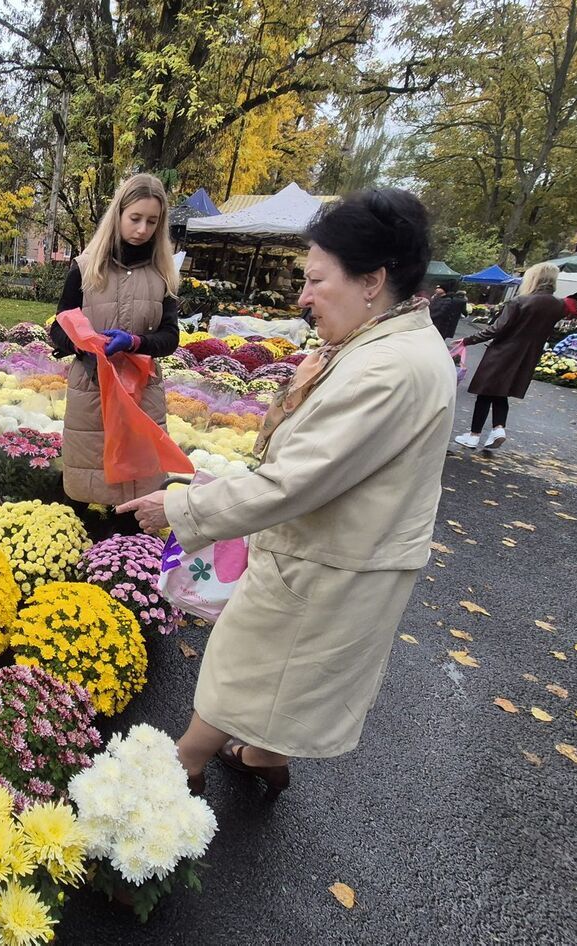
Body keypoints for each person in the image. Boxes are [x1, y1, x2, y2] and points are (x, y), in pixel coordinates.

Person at [117, 189, 454, 799]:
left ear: (373, 280)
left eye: (316, 280)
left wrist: (177, 507)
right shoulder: (379, 347)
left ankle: (176, 774)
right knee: (284, 674)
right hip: (340, 553)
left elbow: (291, 479)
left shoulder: (388, 367)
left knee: (247, 664)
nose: (302, 298)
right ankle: (262, 757)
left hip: (328, 561)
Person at [49, 173, 180, 507]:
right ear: (118, 214)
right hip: (92, 393)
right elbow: (58, 328)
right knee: (90, 488)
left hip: (142, 394)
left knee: (138, 491)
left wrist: (135, 342)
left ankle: (128, 556)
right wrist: (84, 344)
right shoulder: (85, 267)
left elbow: (170, 338)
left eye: (152, 221)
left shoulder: (163, 275)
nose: (142, 229)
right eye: (135, 218)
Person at [453, 262, 566, 450]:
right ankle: (498, 428)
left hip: (502, 353)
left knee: (485, 393)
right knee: (500, 393)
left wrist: (467, 340)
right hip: (526, 357)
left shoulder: (520, 301)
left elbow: (497, 328)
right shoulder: (558, 305)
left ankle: (474, 435)